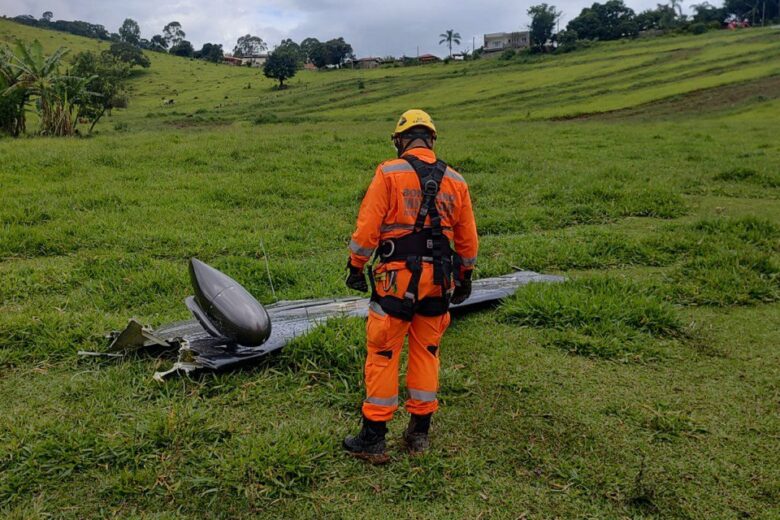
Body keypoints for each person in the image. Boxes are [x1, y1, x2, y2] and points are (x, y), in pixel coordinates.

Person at [343, 109, 479, 463]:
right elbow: (467, 241)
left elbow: (366, 230)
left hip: (395, 282)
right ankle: (419, 434)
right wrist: (464, 277)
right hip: (438, 284)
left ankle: (373, 439)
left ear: (401, 141)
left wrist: (356, 267)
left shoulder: (388, 172)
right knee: (427, 351)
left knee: (384, 353)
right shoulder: (457, 181)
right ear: (431, 140)